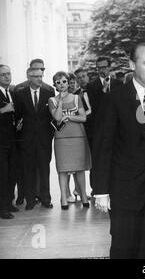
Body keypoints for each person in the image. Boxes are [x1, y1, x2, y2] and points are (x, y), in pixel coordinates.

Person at [93, 43, 145, 259]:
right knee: (123, 247)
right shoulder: (114, 99)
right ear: (133, 64)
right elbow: (103, 147)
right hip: (123, 190)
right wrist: (101, 190)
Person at [48, 72, 90, 209]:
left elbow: (83, 118)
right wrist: (60, 101)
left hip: (78, 137)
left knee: (79, 169)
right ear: (55, 85)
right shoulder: (52, 100)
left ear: (68, 83)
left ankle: (84, 197)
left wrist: (70, 117)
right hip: (61, 139)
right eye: (58, 82)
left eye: (64, 81)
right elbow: (58, 117)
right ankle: (64, 199)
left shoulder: (77, 98)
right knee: (63, 170)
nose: (62, 85)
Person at [14, 67, 55, 210]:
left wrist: (50, 135)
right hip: (27, 140)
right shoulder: (20, 94)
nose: (40, 79)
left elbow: (52, 117)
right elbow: (18, 117)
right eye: (36, 76)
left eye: (41, 76)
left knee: (45, 170)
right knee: (29, 170)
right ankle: (30, 200)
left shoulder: (49, 93)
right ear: (28, 77)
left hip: (44, 139)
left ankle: (46, 199)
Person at [86, 57, 122, 191]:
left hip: (116, 128)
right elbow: (96, 107)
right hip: (99, 128)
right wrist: (104, 90)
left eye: (104, 67)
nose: (102, 70)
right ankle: (97, 188)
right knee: (98, 159)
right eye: (99, 67)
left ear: (109, 67)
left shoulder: (119, 83)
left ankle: (115, 186)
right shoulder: (92, 85)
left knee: (115, 158)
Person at [0, 64, 19, 219]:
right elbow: (6, 110)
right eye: (3, 74)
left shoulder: (11, 92)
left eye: (8, 73)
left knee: (12, 172)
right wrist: (2, 110)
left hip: (12, 139)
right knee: (2, 174)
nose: (7, 76)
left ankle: (8, 202)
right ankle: (2, 207)